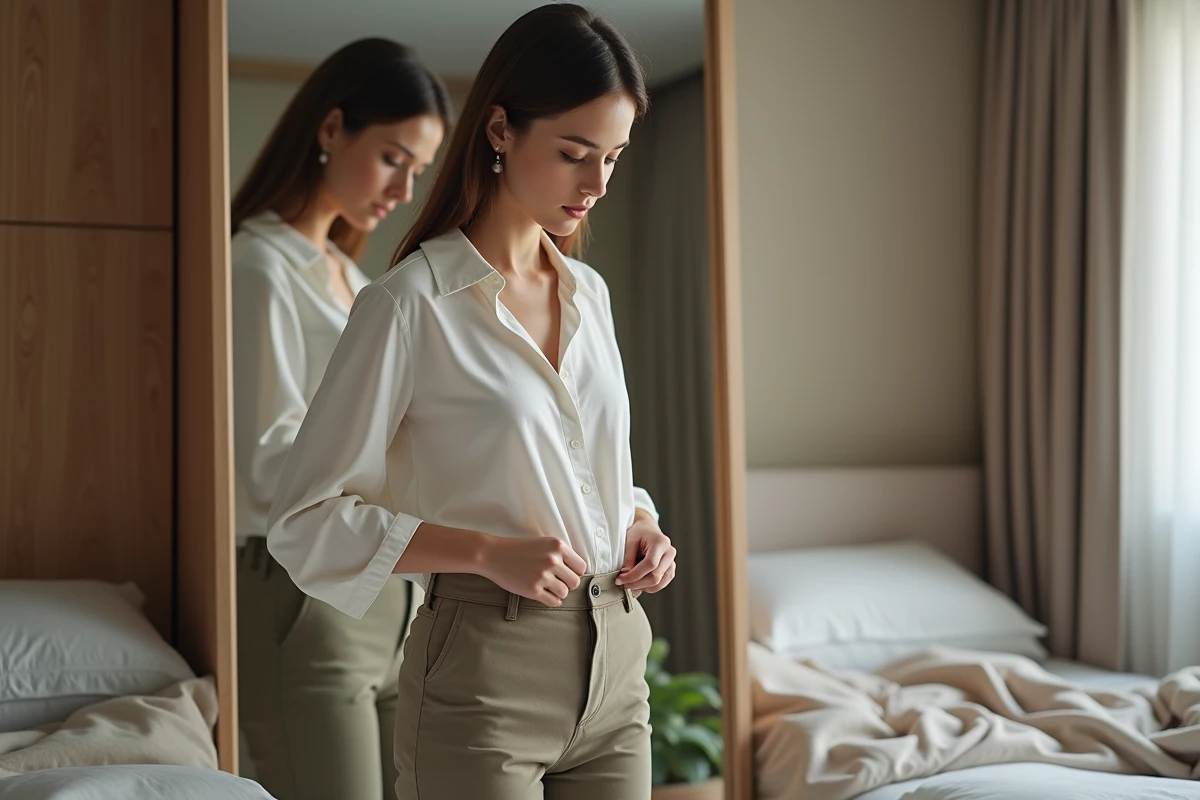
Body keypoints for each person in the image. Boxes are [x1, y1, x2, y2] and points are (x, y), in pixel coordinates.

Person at [267, 5, 678, 799]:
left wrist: (640, 523)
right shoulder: (408, 306)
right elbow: (305, 519)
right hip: (484, 672)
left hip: (618, 664)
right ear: (499, 130)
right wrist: (485, 552)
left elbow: (587, 469)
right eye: (574, 154)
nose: (597, 184)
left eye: (613, 158)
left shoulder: (589, 294)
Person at [230, 37, 450, 800]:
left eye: (418, 170)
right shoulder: (258, 267)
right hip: (307, 590)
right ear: (331, 129)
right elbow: (266, 463)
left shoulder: (354, 281)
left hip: (388, 595)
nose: (404, 189)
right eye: (393, 158)